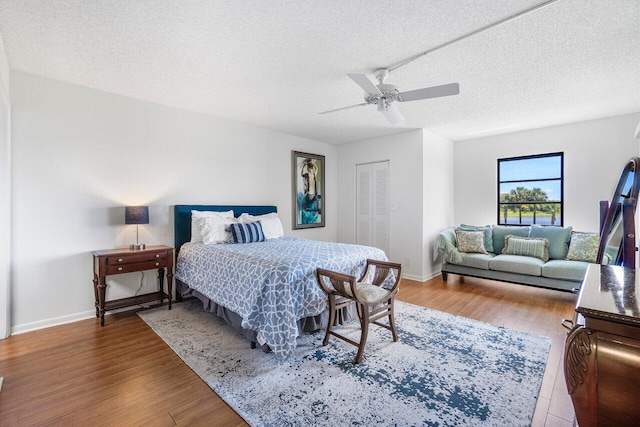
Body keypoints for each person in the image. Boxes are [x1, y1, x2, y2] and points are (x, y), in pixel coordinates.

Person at [297, 157, 322, 224]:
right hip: (311, 193)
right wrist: (312, 163)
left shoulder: (310, 174)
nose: (307, 169)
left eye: (308, 168)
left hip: (310, 193)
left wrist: (305, 165)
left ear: (309, 168)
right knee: (307, 204)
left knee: (305, 205)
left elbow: (301, 174)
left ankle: (314, 211)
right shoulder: (312, 174)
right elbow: (317, 169)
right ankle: (314, 208)